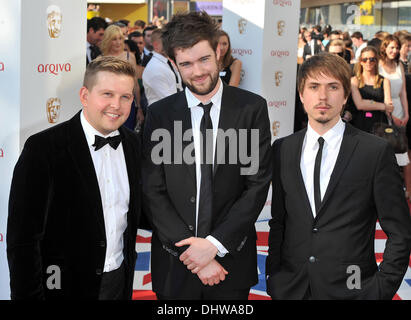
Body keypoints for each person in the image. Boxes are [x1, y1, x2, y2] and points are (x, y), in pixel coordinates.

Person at [142, 11, 271, 300]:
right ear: (174, 64)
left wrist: (215, 244)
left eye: (204, 59)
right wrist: (192, 253)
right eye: (186, 64)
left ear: (219, 52)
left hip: (231, 260)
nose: (197, 72)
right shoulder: (160, 115)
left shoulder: (251, 109)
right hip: (175, 262)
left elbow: (256, 185)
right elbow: (153, 190)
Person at [266, 52, 411, 300]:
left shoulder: (374, 152)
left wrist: (380, 289)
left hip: (353, 290)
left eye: (333, 87)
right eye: (314, 87)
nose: (322, 97)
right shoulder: (283, 149)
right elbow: (279, 221)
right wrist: (275, 277)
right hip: (292, 288)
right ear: (301, 94)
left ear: (346, 96)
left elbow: (399, 231)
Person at [7, 56, 143, 300]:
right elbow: (23, 241)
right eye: (107, 94)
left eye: (126, 96)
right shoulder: (44, 149)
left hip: (118, 281)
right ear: (84, 95)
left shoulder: (133, 144)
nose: (117, 105)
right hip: (62, 286)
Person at [379, 34, 411, 197]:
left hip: (399, 111)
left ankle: (407, 189)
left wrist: (406, 114)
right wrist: (391, 116)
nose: (395, 50)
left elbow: (403, 92)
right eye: (391, 47)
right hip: (383, 112)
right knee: (386, 152)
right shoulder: (378, 64)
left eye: (397, 47)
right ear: (384, 48)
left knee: (402, 150)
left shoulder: (399, 65)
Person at [100, 25, 144, 130]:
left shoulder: (129, 56)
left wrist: (139, 108)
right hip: (108, 105)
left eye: (120, 38)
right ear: (108, 40)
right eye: (114, 39)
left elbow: (135, 85)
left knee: (127, 135)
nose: (118, 42)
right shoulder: (101, 59)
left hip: (126, 104)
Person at [351, 46, 393, 133]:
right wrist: (383, 106)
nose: (368, 62)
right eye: (365, 59)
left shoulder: (384, 81)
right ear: (360, 62)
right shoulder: (354, 80)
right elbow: (360, 105)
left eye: (372, 59)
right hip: (360, 124)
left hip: (380, 124)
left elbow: (389, 106)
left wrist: (368, 103)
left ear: (376, 61)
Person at [142, 28, 182, 106]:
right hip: (162, 114)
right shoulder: (154, 68)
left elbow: (178, 87)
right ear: (156, 45)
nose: (171, 45)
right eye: (166, 42)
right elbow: (168, 99)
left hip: (173, 110)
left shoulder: (167, 62)